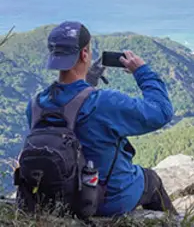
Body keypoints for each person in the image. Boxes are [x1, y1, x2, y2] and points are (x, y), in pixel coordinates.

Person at [25, 21, 177, 217]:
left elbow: (70, 111)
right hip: (106, 199)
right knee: (151, 179)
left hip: (57, 198)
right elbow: (161, 112)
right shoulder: (105, 102)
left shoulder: (35, 105)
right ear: (84, 54)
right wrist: (142, 71)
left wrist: (88, 83)